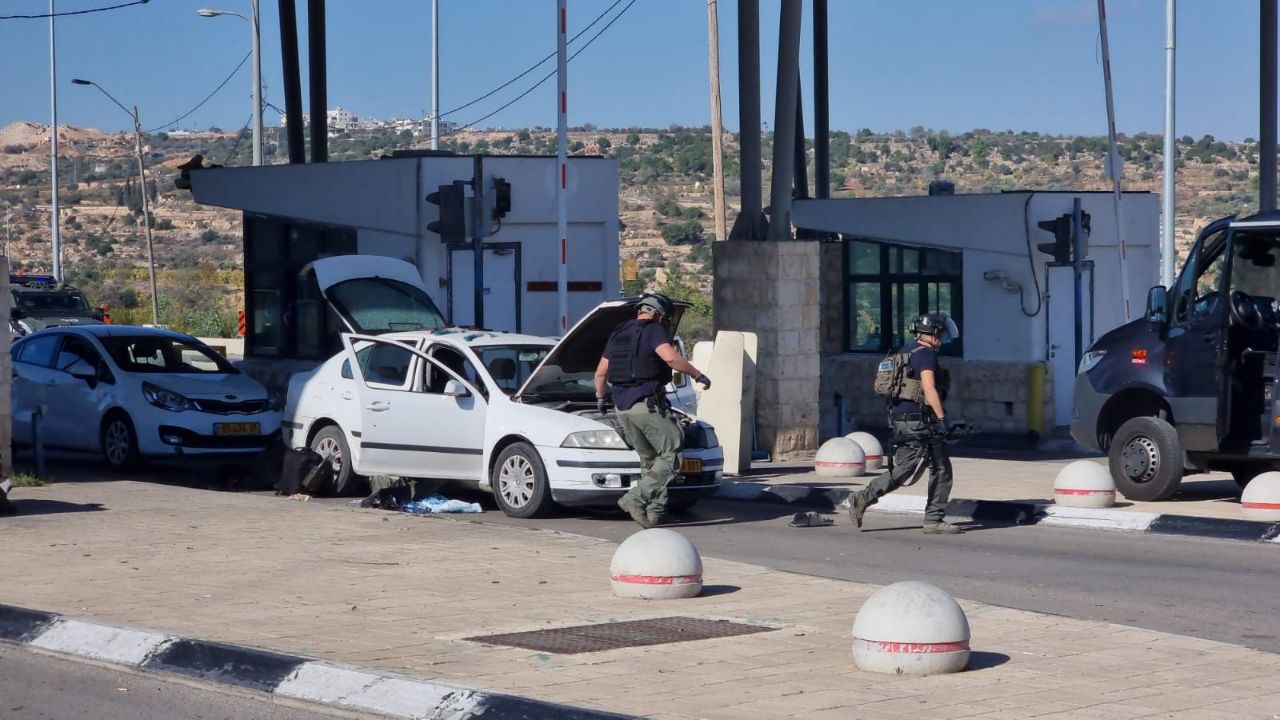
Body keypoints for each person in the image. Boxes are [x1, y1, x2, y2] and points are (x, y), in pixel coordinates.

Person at [594, 294, 711, 528]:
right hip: (646, 403)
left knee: (650, 460)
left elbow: (600, 373)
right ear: (659, 314)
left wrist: (600, 396)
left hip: (622, 407)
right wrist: (697, 374)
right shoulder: (653, 329)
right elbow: (671, 359)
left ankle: (654, 514)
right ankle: (635, 498)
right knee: (672, 451)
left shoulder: (617, 333)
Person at [849, 313, 963, 535]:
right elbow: (929, 388)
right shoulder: (927, 355)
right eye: (940, 333)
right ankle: (932, 520)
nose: (941, 338)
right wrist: (942, 419)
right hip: (921, 421)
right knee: (936, 469)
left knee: (917, 468)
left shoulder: (905, 352)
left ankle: (932, 518)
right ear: (931, 334)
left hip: (902, 419)